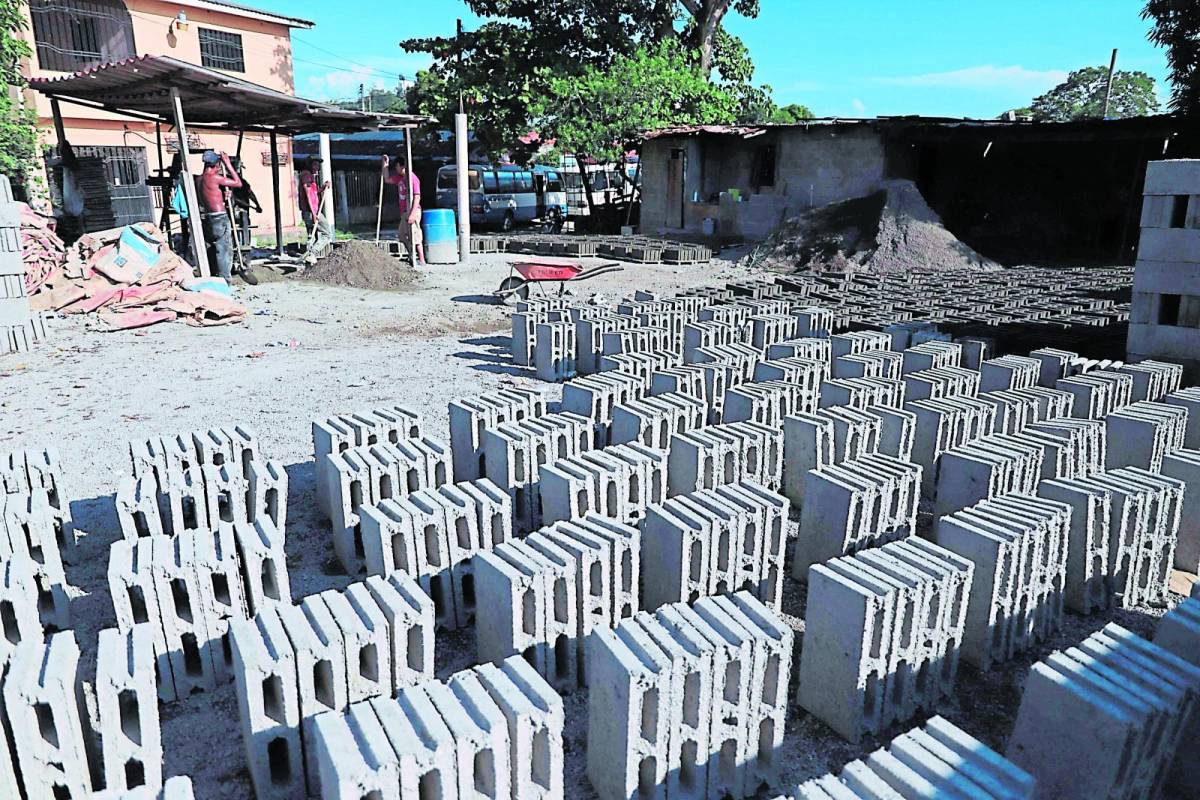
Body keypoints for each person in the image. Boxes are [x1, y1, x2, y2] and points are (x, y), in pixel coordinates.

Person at [197, 150, 242, 282]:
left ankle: (213, 277)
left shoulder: (199, 180)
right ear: (216, 164)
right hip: (219, 218)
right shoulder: (215, 178)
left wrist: (223, 197)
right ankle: (225, 280)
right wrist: (228, 164)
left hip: (207, 217)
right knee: (223, 250)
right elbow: (238, 183)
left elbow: (209, 197)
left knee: (211, 249)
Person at [382, 154, 424, 264]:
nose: (396, 169)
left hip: (413, 210)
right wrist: (385, 165)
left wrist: (413, 214)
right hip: (404, 211)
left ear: (401, 166)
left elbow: (417, 196)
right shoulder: (399, 178)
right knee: (402, 235)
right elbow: (387, 179)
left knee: (415, 235)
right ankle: (411, 255)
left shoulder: (413, 178)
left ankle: (422, 259)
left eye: (396, 166)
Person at [298, 156, 332, 264]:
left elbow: (314, 193)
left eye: (318, 165)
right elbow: (308, 195)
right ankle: (312, 253)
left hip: (310, 211)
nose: (317, 167)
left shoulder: (309, 176)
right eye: (315, 165)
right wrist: (314, 214)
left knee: (312, 236)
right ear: (309, 165)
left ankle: (309, 261)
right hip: (311, 212)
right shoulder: (306, 175)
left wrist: (323, 187)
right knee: (327, 234)